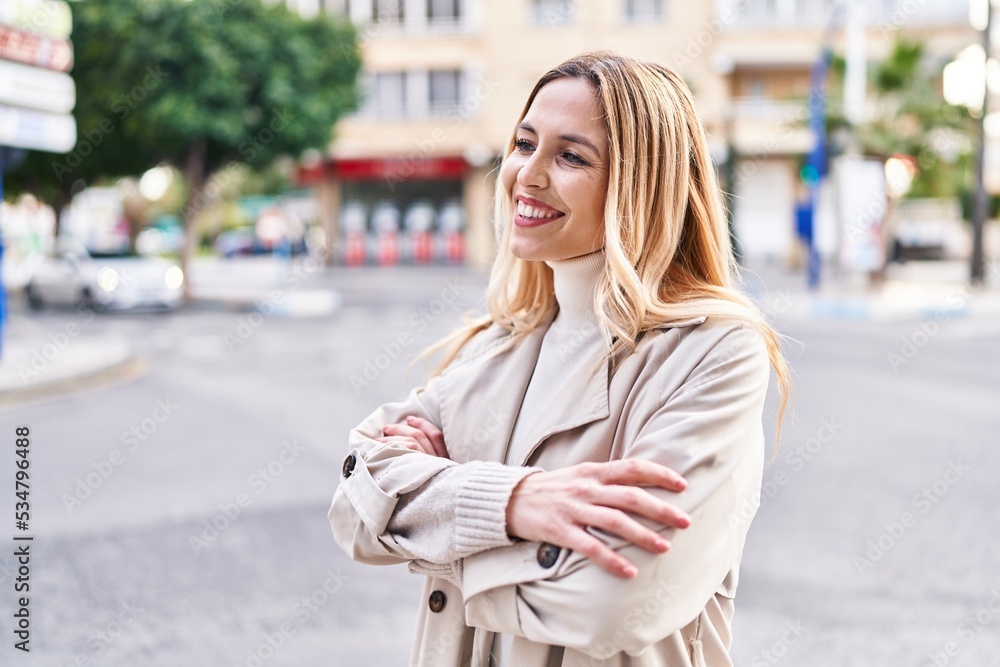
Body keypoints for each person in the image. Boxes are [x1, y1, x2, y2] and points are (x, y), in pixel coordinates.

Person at [329, 51, 791, 667]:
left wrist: (438, 517)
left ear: (640, 184)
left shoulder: (713, 352)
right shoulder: (498, 343)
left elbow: (607, 603)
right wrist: (515, 505)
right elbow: (354, 507)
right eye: (524, 143)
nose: (528, 174)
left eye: (571, 156)